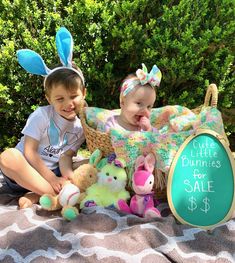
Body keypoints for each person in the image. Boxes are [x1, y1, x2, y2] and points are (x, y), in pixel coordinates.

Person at [0, 27, 87, 208]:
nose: (68, 103)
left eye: (73, 96)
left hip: (53, 173)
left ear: (83, 93)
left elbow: (65, 157)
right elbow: (30, 152)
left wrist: (67, 176)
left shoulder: (80, 128)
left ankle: (38, 194)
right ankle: (55, 194)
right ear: (49, 99)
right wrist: (52, 179)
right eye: (60, 99)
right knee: (8, 157)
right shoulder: (42, 115)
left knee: (86, 168)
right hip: (24, 171)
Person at [104, 63, 162, 132]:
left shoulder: (144, 128)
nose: (145, 111)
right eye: (139, 103)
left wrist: (149, 130)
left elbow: (158, 139)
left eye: (149, 107)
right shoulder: (112, 124)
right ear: (123, 101)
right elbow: (103, 139)